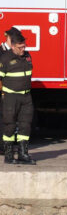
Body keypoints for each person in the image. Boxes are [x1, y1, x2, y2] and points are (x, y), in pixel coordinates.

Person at [0, 32, 36, 165]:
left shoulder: (27, 56)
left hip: (26, 97)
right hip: (11, 97)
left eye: (24, 46)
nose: (23, 50)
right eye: (20, 47)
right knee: (9, 125)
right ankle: (9, 155)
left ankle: (23, 154)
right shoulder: (5, 58)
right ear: (13, 46)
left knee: (25, 126)